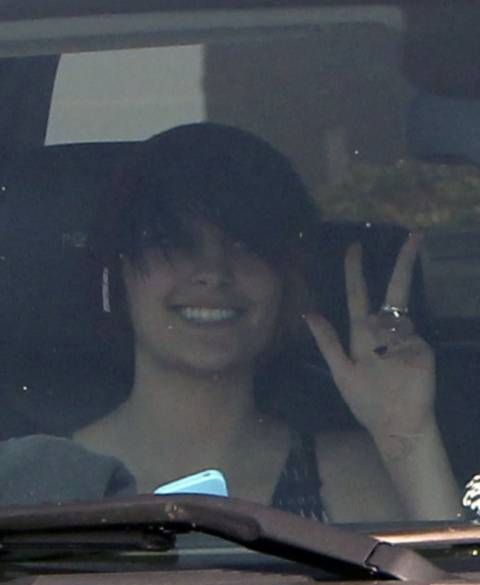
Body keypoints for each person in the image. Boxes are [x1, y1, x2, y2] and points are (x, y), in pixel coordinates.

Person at [74, 122, 460, 522]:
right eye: (174, 242)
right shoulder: (49, 477)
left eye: (246, 244)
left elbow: (448, 564)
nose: (213, 272)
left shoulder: (346, 479)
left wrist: (408, 434)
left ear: (287, 281)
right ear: (117, 273)